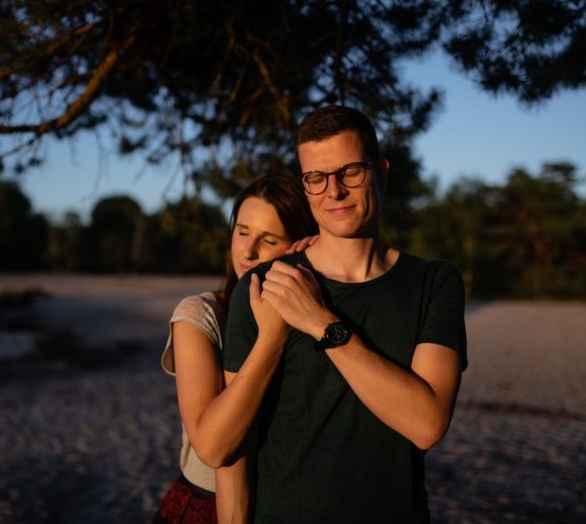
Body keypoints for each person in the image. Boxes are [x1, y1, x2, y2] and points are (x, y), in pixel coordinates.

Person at [222, 105, 468, 524]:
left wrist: (321, 323)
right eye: (316, 178)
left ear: (382, 173)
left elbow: (427, 424)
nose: (333, 191)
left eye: (350, 172)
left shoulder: (434, 282)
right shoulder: (265, 286)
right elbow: (232, 448)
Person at [153, 175, 318, 524]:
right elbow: (212, 446)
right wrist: (272, 338)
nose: (248, 251)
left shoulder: (314, 319)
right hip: (204, 505)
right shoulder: (200, 314)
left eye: (269, 239)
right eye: (242, 231)